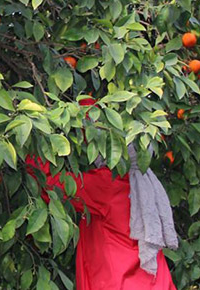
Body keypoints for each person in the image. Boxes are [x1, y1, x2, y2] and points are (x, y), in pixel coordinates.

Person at [26, 119, 179, 289]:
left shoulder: (109, 185)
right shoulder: (146, 182)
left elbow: (51, 184)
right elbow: (96, 121)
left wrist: (31, 144)